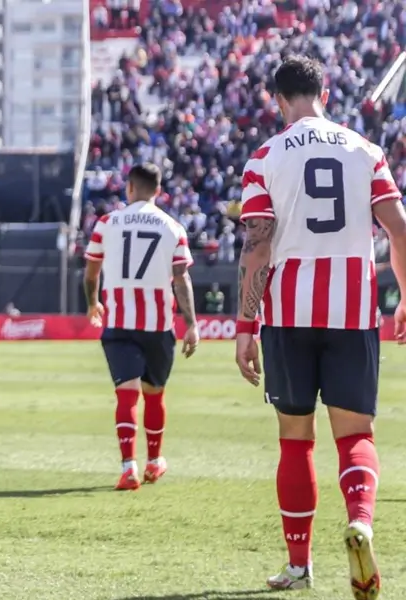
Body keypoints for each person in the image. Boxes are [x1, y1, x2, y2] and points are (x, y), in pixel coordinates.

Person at [234, 55, 406, 597]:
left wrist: (244, 324)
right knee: (355, 436)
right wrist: (404, 298)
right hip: (352, 313)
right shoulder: (365, 150)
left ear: (278, 100)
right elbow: (399, 229)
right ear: (325, 92)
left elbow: (257, 247)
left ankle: (299, 565)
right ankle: (360, 521)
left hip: (288, 315)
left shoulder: (265, 157)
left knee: (295, 441)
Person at [83, 162, 200, 491]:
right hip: (158, 327)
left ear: (129, 188)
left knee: (126, 394)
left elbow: (92, 272)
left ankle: (127, 467)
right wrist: (191, 324)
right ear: (159, 191)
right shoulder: (174, 228)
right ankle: (153, 461)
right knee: (154, 394)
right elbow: (181, 278)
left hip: (119, 324)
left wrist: (93, 304)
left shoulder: (106, 224)